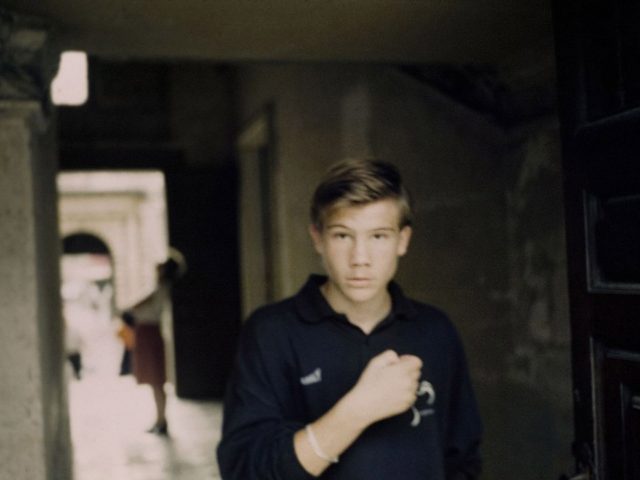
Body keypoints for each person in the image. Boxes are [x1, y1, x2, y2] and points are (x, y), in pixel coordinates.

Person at [217, 158, 482, 479]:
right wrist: (359, 409)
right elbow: (245, 472)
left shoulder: (435, 330)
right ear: (318, 238)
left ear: (403, 240)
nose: (360, 259)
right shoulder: (271, 332)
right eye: (343, 236)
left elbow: (463, 460)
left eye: (379, 236)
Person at [126, 251, 185, 435]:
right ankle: (160, 418)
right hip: (148, 333)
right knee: (155, 381)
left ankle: (161, 419)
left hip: (149, 333)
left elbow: (135, 308)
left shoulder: (160, 290)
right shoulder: (161, 289)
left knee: (156, 380)